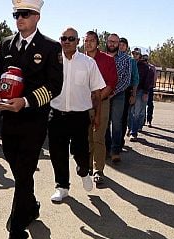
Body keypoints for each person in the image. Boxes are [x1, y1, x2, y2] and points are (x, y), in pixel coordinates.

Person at [0, 1, 63, 239]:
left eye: (24, 14)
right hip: (7, 121)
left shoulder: (51, 47)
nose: (19, 18)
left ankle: (16, 234)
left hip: (33, 121)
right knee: (20, 172)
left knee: (23, 173)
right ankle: (30, 207)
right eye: (15, 14)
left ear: (37, 16)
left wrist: (26, 101)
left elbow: (54, 86)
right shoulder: (7, 44)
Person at [49, 27, 105, 202]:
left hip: (79, 116)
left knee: (80, 151)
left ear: (78, 41)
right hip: (56, 113)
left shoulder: (89, 63)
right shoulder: (53, 62)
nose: (67, 42)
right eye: (63, 38)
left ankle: (83, 171)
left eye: (71, 39)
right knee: (57, 152)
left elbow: (96, 93)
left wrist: (96, 116)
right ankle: (62, 186)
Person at [84, 30, 118, 184]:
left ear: (97, 43)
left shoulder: (107, 60)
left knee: (98, 137)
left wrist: (97, 99)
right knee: (86, 137)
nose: (89, 43)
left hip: (101, 103)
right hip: (83, 104)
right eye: (86, 40)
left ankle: (99, 170)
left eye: (92, 40)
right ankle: (88, 167)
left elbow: (111, 83)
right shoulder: (79, 60)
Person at [104, 34, 133, 163]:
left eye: (115, 42)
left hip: (118, 94)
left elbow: (127, 79)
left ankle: (115, 151)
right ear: (107, 42)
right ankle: (106, 148)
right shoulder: (101, 57)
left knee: (117, 123)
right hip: (103, 94)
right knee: (104, 123)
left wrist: (113, 92)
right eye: (110, 41)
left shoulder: (126, 59)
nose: (112, 44)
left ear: (118, 43)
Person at [128, 47, 155, 141]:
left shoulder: (145, 67)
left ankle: (133, 133)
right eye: (133, 53)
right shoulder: (128, 63)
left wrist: (146, 91)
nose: (134, 55)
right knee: (129, 112)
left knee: (137, 112)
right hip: (128, 90)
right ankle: (130, 128)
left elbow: (149, 79)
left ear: (140, 56)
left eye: (136, 54)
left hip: (139, 91)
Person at [118, 37, 138, 147]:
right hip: (111, 91)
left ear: (126, 47)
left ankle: (120, 141)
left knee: (123, 117)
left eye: (123, 45)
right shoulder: (111, 58)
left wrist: (133, 95)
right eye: (119, 44)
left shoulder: (131, 61)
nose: (121, 47)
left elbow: (135, 78)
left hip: (126, 91)